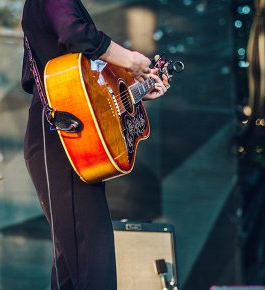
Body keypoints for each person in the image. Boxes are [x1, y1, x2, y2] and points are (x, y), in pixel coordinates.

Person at [20, 0, 168, 289]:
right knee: (93, 264)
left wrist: (137, 91)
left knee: (73, 268)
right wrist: (132, 60)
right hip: (61, 136)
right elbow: (74, 33)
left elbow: (93, 91)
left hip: (76, 136)